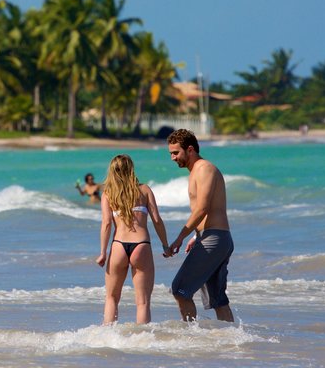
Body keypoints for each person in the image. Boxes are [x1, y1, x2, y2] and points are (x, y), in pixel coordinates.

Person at [164, 129, 235, 322]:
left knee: (180, 289)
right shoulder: (196, 171)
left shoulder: (204, 169)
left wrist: (181, 237)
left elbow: (202, 208)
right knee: (217, 299)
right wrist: (196, 235)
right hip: (212, 236)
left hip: (215, 238)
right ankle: (230, 340)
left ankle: (190, 337)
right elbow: (208, 210)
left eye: (175, 152)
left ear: (190, 149)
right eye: (170, 153)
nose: (172, 158)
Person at [96, 154, 171, 324]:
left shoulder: (108, 194)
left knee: (112, 298)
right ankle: (142, 342)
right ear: (131, 169)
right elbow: (157, 220)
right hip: (141, 244)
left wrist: (102, 252)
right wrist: (165, 245)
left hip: (118, 246)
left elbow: (106, 224)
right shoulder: (144, 190)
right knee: (142, 302)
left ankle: (107, 338)